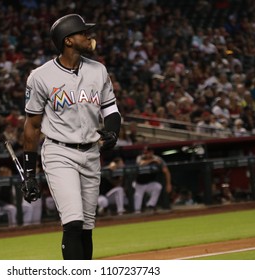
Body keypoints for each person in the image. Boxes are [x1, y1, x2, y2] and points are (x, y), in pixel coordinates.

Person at [22, 14, 121, 260]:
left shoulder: (98, 70)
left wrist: (113, 132)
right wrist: (30, 172)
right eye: (83, 33)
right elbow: (32, 125)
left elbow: (111, 110)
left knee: (86, 228)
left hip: (90, 153)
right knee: (74, 222)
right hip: (59, 152)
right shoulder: (41, 76)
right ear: (68, 41)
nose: (89, 37)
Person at [133, 145, 172, 214]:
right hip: (139, 184)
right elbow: (141, 164)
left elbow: (166, 171)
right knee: (137, 208)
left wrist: (168, 184)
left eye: (147, 152)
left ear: (151, 152)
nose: (145, 154)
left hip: (149, 183)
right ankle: (137, 213)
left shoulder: (158, 159)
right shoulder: (140, 157)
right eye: (144, 152)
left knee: (158, 186)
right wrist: (152, 160)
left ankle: (151, 205)